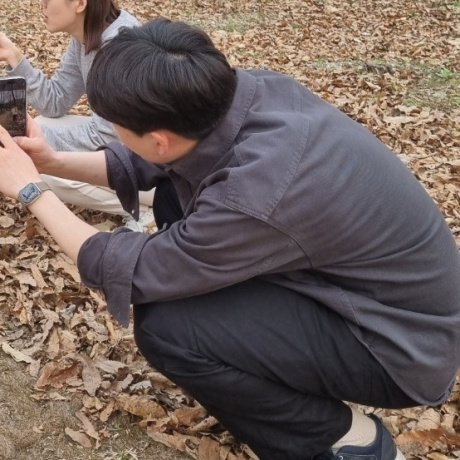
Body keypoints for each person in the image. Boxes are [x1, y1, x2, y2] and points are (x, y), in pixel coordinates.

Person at [0, 17, 459, 460]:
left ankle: (343, 439)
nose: (116, 132)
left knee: (169, 328)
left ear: (157, 138)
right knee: (172, 203)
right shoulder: (246, 92)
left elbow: (132, 270)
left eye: (117, 125)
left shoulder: (255, 192)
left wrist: (30, 190)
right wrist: (51, 162)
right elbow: (155, 163)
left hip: (398, 347)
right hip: (371, 295)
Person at [0, 0, 154, 230]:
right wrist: (14, 56)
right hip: (134, 148)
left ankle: (144, 211)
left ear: (80, 3)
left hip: (159, 168)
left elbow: (108, 137)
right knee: (43, 125)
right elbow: (55, 101)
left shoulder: (120, 46)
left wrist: (24, 138)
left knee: (41, 163)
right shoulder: (88, 36)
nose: (40, 4)